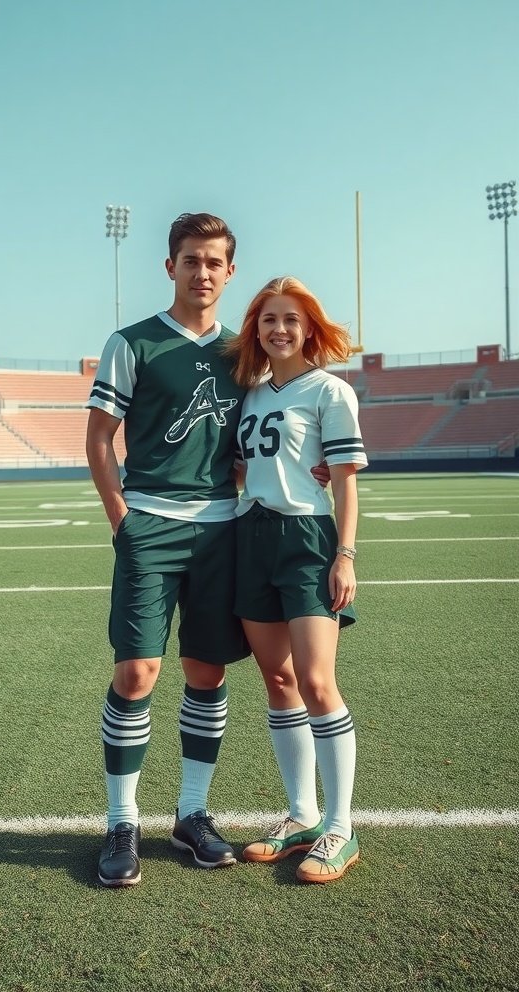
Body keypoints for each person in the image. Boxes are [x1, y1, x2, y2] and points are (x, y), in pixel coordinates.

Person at [86, 212, 251, 886]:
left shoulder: (245, 353)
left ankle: (191, 814)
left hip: (221, 530)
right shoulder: (133, 343)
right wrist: (121, 519)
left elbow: (260, 438)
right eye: (191, 260)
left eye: (214, 262)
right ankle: (121, 820)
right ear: (170, 266)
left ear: (229, 271)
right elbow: (99, 438)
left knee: (207, 671)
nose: (202, 272)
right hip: (150, 524)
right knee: (137, 673)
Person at [227, 276, 368, 883]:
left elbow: (346, 482)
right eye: (268, 320)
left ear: (309, 327)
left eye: (290, 319)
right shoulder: (250, 394)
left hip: (307, 540)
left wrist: (345, 555)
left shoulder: (330, 391)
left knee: (315, 679)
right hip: (251, 537)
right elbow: (244, 468)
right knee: (278, 678)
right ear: (255, 330)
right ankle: (303, 814)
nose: (279, 329)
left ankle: (340, 825)